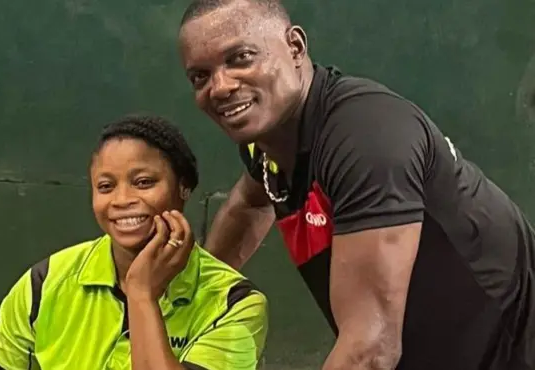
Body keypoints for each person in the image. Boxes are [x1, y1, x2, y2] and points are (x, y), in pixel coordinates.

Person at [177, 0, 535, 369]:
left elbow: (370, 351)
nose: (220, 87)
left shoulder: (364, 138)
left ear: (295, 47)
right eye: (200, 77)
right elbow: (250, 203)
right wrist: (192, 295)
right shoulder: (268, 137)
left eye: (241, 58)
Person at [0, 115, 268, 370]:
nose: (122, 200)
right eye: (106, 187)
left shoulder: (235, 305)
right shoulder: (44, 284)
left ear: (184, 187)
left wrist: (141, 294)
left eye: (144, 182)